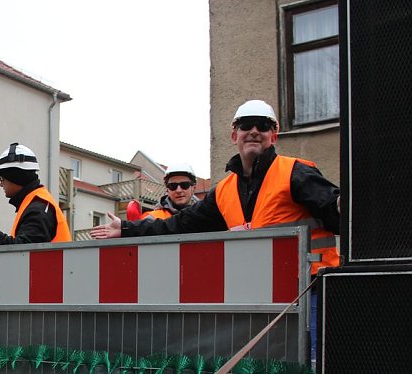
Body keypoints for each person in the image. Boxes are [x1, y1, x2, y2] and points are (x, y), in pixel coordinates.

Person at [90, 99, 340, 275]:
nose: (254, 131)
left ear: (273, 136)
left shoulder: (297, 173)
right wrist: (125, 228)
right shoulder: (224, 191)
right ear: (235, 136)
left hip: (310, 288)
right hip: (260, 291)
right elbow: (178, 225)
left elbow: (340, 216)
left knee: (312, 353)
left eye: (262, 126)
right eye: (246, 125)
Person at [0, 142, 71, 245]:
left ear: (15, 177)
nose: (1, 184)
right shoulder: (35, 203)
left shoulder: (38, 209)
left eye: (2, 179)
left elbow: (22, 251)